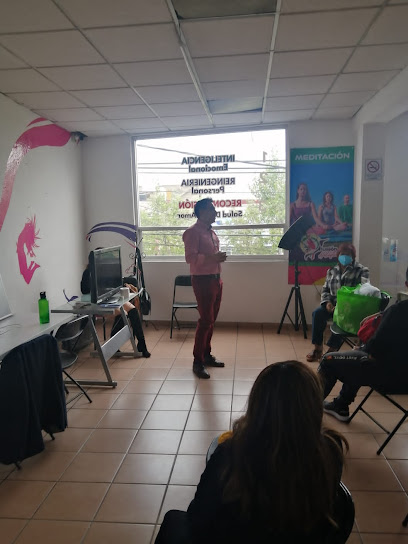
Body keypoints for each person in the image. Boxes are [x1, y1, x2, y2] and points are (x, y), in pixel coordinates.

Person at [156, 361, 348, 544]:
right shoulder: (331, 448)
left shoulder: (230, 453)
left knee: (173, 520)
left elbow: (197, 518)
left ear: (257, 404)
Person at [320, 267, 408, 421]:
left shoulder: (398, 311)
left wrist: (362, 349)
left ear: (406, 284)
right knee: (357, 359)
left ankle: (307, 412)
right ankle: (341, 404)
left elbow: (374, 349)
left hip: (391, 378)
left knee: (329, 360)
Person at [182, 198, 226, 379]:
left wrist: (216, 259)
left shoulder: (211, 232)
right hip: (202, 281)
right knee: (206, 320)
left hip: (216, 279)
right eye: (211, 209)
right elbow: (190, 258)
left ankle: (206, 355)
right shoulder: (192, 232)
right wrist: (213, 258)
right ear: (202, 212)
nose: (215, 212)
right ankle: (197, 361)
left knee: (211, 320)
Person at [307, 243, 369, 362]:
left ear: (353, 256)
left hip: (350, 308)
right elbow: (325, 290)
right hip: (331, 306)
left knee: (341, 318)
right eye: (342, 254)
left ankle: (331, 351)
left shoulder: (361, 270)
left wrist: (344, 305)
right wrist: (327, 303)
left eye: (348, 254)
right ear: (338, 255)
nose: (345, 257)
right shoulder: (331, 271)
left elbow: (363, 291)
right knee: (317, 314)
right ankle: (317, 349)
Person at [80, 260, 150, 358]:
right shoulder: (88, 272)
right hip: (97, 303)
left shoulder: (107, 270)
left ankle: (142, 345)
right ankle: (113, 346)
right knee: (122, 313)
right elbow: (84, 290)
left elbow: (116, 284)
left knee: (133, 310)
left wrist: (121, 284)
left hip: (111, 299)